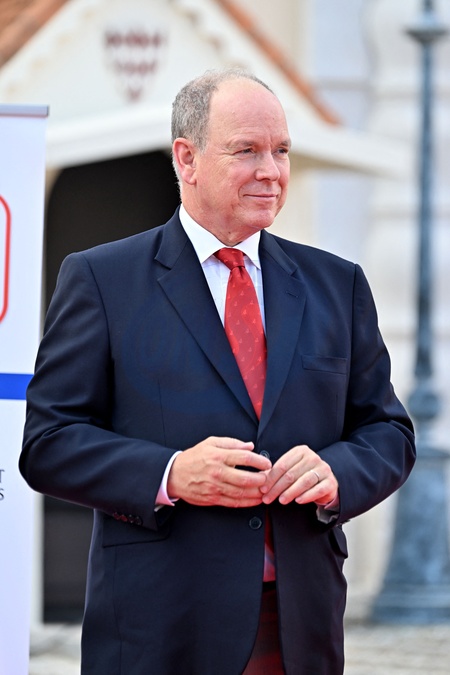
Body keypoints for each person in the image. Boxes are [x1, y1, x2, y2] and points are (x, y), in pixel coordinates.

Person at [20, 68, 415, 675]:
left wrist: (338, 470)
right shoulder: (102, 279)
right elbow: (49, 443)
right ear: (187, 158)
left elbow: (388, 432)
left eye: (281, 150)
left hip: (300, 627)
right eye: (246, 150)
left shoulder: (339, 284)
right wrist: (172, 474)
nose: (271, 171)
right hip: (160, 629)